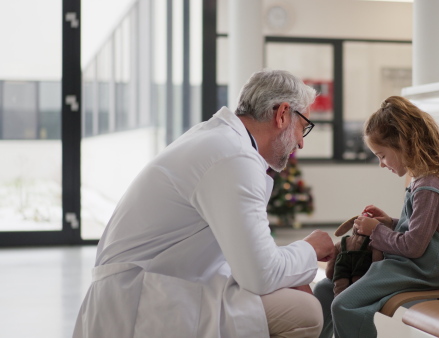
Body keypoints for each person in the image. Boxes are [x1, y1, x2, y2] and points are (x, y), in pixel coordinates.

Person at [73, 69, 335, 338]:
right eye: (304, 127)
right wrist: (309, 249)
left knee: (293, 289)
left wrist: (294, 269)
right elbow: (260, 274)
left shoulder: (221, 141)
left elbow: (248, 257)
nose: (301, 143)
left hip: (153, 287)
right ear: (281, 114)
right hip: (143, 302)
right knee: (304, 311)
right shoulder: (234, 157)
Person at [312, 96, 439, 338]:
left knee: (345, 305)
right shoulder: (424, 180)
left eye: (382, 155)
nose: (381, 164)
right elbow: (420, 229)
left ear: (404, 144)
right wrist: (389, 223)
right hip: (404, 265)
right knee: (324, 289)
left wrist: (375, 231)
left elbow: (414, 247)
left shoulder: (429, 187)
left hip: (419, 271)